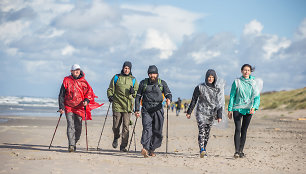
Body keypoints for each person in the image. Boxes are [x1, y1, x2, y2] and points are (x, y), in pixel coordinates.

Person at [58, 64, 102, 152]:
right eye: (75, 70)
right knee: (70, 125)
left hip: (79, 107)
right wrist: (61, 107)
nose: (77, 71)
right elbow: (61, 95)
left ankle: (74, 141)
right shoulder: (66, 80)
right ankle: (71, 145)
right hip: (69, 106)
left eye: (78, 70)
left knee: (78, 127)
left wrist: (86, 100)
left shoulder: (83, 81)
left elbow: (88, 93)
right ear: (71, 71)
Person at [186, 69, 225, 158]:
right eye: (209, 77)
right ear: (206, 77)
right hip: (201, 112)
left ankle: (204, 149)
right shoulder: (199, 87)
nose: (210, 79)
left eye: (212, 77)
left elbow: (220, 103)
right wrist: (189, 111)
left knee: (207, 132)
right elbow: (194, 100)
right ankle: (202, 149)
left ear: (215, 78)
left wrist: (219, 115)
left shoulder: (217, 89)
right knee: (202, 131)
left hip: (211, 113)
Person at [135, 65, 172, 157]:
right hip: (146, 109)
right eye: (151, 73)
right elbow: (138, 97)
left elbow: (168, 93)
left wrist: (168, 99)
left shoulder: (162, 83)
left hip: (158, 109)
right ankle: (145, 148)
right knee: (147, 128)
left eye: (154, 73)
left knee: (157, 131)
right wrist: (136, 109)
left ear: (157, 74)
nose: (152, 75)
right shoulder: (143, 83)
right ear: (148, 74)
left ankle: (152, 149)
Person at [228, 64, 262, 158]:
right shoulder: (237, 82)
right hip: (237, 108)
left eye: (248, 70)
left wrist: (254, 107)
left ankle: (241, 151)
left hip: (249, 109)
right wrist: (230, 109)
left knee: (244, 130)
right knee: (238, 129)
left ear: (250, 72)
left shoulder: (254, 83)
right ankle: (236, 151)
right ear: (241, 71)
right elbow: (232, 96)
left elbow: (257, 97)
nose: (246, 72)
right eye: (244, 70)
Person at [107, 61, 139, 152]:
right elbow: (110, 89)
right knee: (116, 126)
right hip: (117, 104)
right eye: (125, 68)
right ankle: (116, 137)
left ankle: (123, 146)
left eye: (128, 68)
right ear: (123, 68)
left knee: (126, 127)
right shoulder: (116, 77)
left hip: (128, 106)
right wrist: (110, 96)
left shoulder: (133, 79)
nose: (126, 70)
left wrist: (133, 92)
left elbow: (137, 93)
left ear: (130, 69)